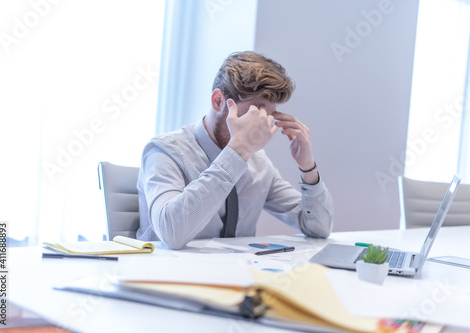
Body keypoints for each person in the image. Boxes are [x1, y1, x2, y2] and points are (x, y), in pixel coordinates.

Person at [136, 51, 333, 249]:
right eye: (255, 111)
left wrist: (308, 167)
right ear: (218, 101)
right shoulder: (163, 151)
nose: (262, 124)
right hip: (167, 275)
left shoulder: (259, 163)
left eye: (270, 114)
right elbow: (172, 233)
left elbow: (319, 228)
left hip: (238, 275)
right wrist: (238, 152)